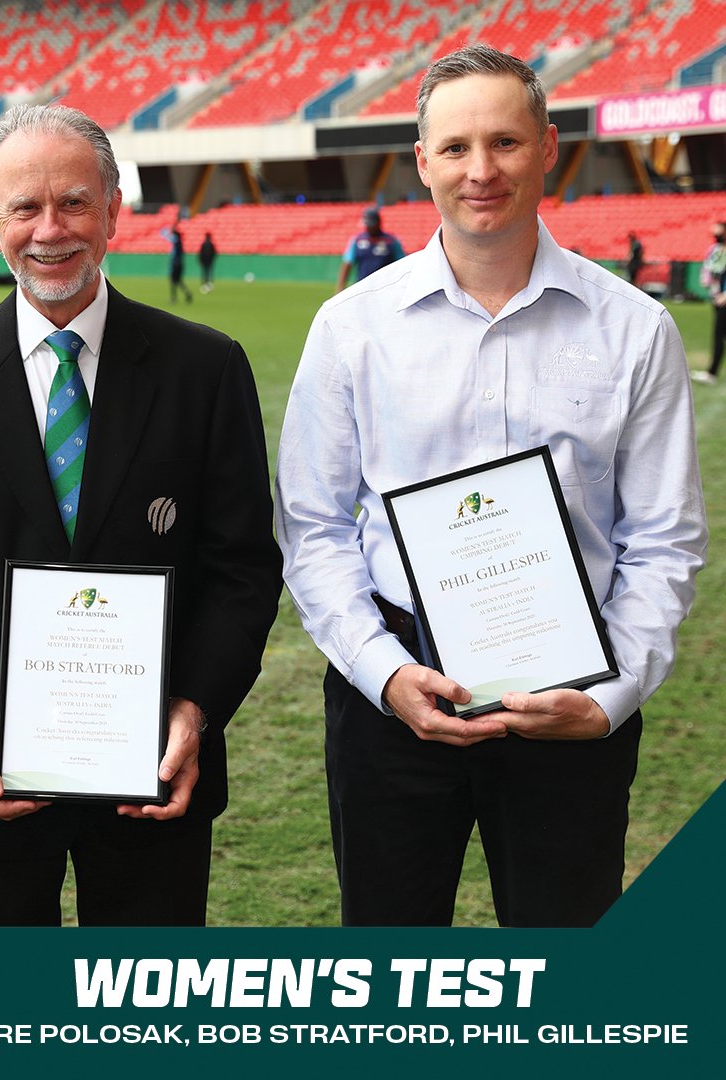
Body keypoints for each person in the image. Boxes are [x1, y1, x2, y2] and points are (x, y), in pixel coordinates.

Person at [275, 44, 705, 928]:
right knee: (391, 969)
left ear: (548, 148)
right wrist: (385, 674)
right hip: (396, 689)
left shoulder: (635, 329)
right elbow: (312, 529)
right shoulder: (352, 328)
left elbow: (663, 540)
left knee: (567, 963)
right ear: (423, 161)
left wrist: (611, 695)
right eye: (458, 147)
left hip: (573, 690)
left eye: (505, 142)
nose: (482, 171)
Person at [0, 104, 279, 926]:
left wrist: (191, 712)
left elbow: (242, 572)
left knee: (143, 1027)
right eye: (24, 207)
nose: (51, 230)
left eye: (75, 202)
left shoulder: (206, 368)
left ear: (116, 209)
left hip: (155, 779)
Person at [335, 207, 405, 292]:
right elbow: (348, 263)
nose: (368, 227)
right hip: (362, 288)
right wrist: (340, 288)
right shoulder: (357, 240)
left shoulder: (391, 241)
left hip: (385, 288)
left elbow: (402, 264)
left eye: (371, 224)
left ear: (378, 223)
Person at [694, 221, 726, 384]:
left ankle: (711, 373)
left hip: (723, 300)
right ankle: (712, 372)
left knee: (719, 335)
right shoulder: (716, 250)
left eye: (719, 232)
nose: (716, 235)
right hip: (717, 298)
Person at [160, 220, 194, 302]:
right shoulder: (178, 241)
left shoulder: (176, 240)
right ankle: (186, 294)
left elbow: (164, 234)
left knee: (173, 280)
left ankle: (174, 297)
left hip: (176, 263)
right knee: (177, 281)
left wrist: (170, 229)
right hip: (178, 263)